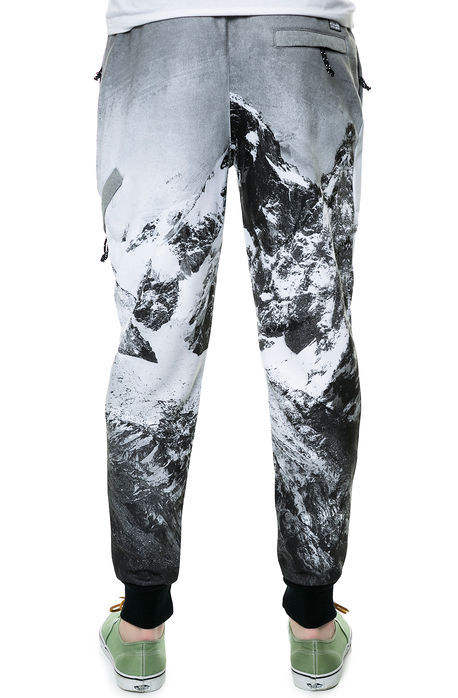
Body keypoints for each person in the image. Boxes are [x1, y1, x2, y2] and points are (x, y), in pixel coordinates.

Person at [96, 0, 367, 691]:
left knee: (155, 349)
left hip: (157, 40)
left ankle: (141, 626)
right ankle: (313, 625)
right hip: (301, 36)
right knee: (311, 350)